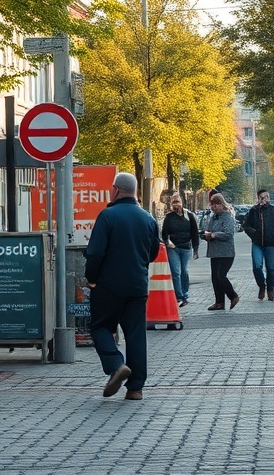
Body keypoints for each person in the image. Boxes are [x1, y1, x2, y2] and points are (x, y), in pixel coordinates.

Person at [85, 171, 159, 401]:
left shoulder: (107, 216)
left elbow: (95, 252)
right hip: (137, 286)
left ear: (116, 190)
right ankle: (135, 388)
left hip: (108, 285)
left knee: (100, 327)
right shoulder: (148, 218)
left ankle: (116, 365)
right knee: (136, 334)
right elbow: (154, 251)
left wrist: (92, 277)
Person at [242, 188, 274, 301]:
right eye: (261, 197)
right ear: (258, 199)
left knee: (270, 268)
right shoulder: (253, 211)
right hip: (257, 243)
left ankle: (270, 290)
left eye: (266, 197)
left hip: (271, 244)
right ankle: (262, 286)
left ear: (269, 198)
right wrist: (254, 235)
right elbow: (246, 226)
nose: (264, 199)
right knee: (257, 266)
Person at [161, 193, 199, 307]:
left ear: (182, 203)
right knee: (176, 272)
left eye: (177, 202)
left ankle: (185, 293)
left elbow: (195, 233)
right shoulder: (169, 217)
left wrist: (196, 249)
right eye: (173, 202)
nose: (176, 205)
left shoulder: (189, 216)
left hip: (186, 247)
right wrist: (168, 242)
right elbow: (164, 234)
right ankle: (179, 296)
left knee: (184, 271)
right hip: (174, 248)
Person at [202, 191, 239, 311]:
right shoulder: (213, 217)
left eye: (216, 204)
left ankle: (233, 296)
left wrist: (213, 235)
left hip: (226, 252)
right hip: (214, 252)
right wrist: (205, 235)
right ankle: (219, 302)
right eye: (212, 205)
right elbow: (207, 230)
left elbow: (228, 233)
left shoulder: (227, 216)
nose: (214, 207)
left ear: (222, 204)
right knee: (214, 277)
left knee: (221, 275)